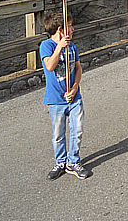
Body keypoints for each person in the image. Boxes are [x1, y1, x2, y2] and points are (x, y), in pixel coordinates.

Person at [40, 11, 91, 180]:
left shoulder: (73, 47)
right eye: (70, 26)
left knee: (77, 130)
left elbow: (78, 68)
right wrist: (60, 46)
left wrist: (75, 87)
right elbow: (49, 66)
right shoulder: (46, 46)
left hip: (74, 98)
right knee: (58, 134)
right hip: (56, 100)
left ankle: (73, 161)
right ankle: (60, 162)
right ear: (61, 30)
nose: (73, 29)